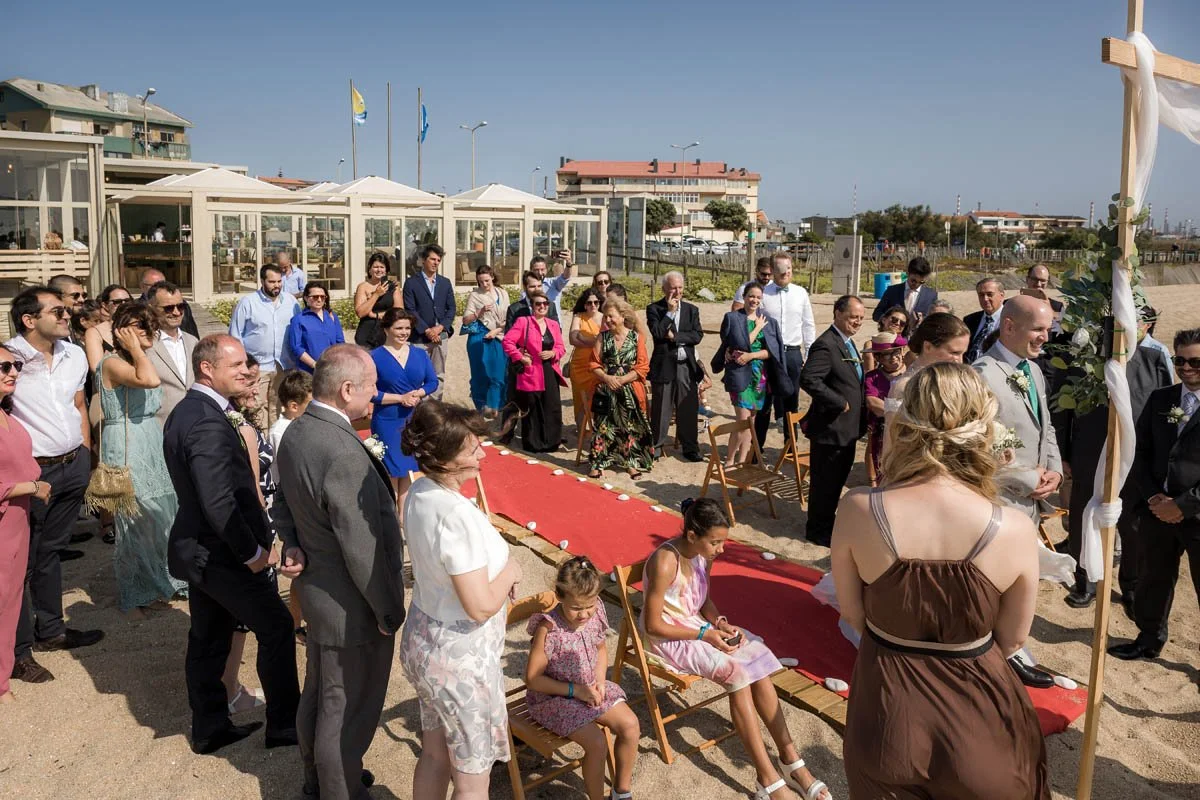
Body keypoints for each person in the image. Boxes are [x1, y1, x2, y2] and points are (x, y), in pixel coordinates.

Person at [831, 362, 1048, 799]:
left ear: (905, 423)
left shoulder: (858, 509)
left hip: (887, 712)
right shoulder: (1013, 528)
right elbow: (1012, 639)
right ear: (985, 427)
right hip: (980, 714)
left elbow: (853, 615)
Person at [273, 345, 406, 800]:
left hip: (320, 594)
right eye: (371, 387)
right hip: (351, 605)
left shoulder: (297, 430)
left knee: (320, 697)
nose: (377, 394)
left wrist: (292, 539)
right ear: (347, 389)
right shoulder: (343, 450)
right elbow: (362, 546)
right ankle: (339, 788)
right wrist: (388, 609)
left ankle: (322, 777)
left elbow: (285, 501)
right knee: (345, 709)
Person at [162, 334, 300, 754]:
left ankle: (210, 726)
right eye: (236, 364)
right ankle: (284, 725)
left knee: (209, 636)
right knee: (276, 627)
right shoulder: (205, 420)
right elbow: (218, 500)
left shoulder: (193, 411)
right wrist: (253, 553)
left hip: (203, 552)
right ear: (207, 368)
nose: (247, 370)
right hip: (223, 554)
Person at [641, 498, 831, 800]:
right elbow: (652, 625)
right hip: (671, 637)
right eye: (716, 542)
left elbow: (703, 601)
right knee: (738, 674)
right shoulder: (665, 561)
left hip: (699, 627)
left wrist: (722, 623)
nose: (721, 549)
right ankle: (766, 776)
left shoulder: (703, 555)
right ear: (692, 536)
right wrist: (705, 633)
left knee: (759, 658)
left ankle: (790, 760)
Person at [399, 401, 522, 800]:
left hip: (426, 637)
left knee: (435, 753)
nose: (483, 454)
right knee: (472, 778)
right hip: (459, 660)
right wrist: (511, 573)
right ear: (448, 459)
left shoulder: (419, 490)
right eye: (472, 449)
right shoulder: (454, 514)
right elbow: (480, 604)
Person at [6, 286, 103, 684]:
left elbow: (78, 404)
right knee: (18, 565)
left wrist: (84, 453)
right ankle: (17, 651)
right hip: (29, 475)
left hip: (71, 466)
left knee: (49, 553)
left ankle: (51, 631)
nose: (68, 315)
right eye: (58, 310)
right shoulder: (8, 359)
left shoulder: (74, 353)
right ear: (30, 320)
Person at [1058, 307, 1173, 610]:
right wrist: (1064, 456)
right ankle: (1084, 581)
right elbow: (1063, 412)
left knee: (1132, 528)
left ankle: (1131, 586)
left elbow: (1164, 413)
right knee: (1083, 517)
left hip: (1136, 459)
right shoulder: (1084, 361)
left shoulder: (1154, 361)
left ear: (1143, 327)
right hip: (1088, 455)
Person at [1109, 329, 1200, 662]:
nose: (1186, 368)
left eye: (1195, 361)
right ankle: (1149, 639)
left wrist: (1183, 505)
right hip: (1156, 511)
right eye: (1180, 360)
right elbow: (1140, 451)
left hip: (1196, 513)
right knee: (1153, 579)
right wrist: (1153, 498)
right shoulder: (1161, 399)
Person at [96, 301, 187, 615]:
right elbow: (148, 380)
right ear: (121, 330)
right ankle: (137, 590)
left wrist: (139, 350)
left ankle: (164, 579)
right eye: (138, 325)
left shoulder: (141, 359)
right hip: (126, 443)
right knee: (136, 518)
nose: (148, 331)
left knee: (162, 513)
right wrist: (134, 348)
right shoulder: (112, 362)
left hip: (149, 436)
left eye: (150, 324)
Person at [525, 557, 640, 800]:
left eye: (589, 605)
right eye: (576, 608)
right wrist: (575, 691)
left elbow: (600, 649)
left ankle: (621, 792)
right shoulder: (549, 629)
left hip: (588, 686)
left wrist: (599, 679)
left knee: (630, 726)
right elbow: (533, 680)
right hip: (553, 699)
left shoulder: (594, 610)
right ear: (560, 595)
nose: (584, 613)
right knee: (597, 743)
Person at [0, 346, 50, 700]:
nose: (13, 372)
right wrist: (30, 486)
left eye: (16, 365)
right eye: (4, 366)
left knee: (10, 600)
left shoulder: (7, 413)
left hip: (17, 519)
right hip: (5, 519)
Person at [798, 295, 867, 548]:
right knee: (825, 483)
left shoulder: (847, 342)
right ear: (837, 313)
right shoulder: (826, 344)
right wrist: (838, 401)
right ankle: (817, 531)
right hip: (831, 429)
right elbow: (809, 379)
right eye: (852, 317)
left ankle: (827, 522)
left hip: (846, 429)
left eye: (861, 318)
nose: (857, 322)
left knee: (836, 481)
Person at [371, 308, 439, 514]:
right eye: (399, 328)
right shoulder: (373, 357)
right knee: (390, 471)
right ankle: (390, 519)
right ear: (386, 329)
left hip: (413, 421)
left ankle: (404, 518)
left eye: (407, 328)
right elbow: (371, 393)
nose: (404, 332)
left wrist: (418, 393)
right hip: (386, 421)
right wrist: (400, 398)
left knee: (409, 469)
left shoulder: (420, 353)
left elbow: (433, 381)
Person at [712, 284, 787, 469]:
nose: (754, 300)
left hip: (759, 376)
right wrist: (755, 330)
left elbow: (773, 352)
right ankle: (729, 460)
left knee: (751, 421)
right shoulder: (733, 318)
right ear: (744, 297)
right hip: (738, 373)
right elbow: (739, 343)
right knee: (743, 421)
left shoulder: (769, 321)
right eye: (751, 296)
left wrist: (752, 355)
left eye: (758, 297)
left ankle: (741, 461)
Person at [586, 297, 653, 479]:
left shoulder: (637, 338)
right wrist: (607, 378)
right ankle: (598, 462)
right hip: (605, 389)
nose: (607, 320)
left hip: (629, 390)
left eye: (611, 316)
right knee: (602, 427)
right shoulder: (603, 337)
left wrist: (623, 379)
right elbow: (593, 364)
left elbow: (642, 367)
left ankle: (630, 463)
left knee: (629, 427)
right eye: (605, 317)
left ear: (623, 316)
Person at [755, 254, 815, 451]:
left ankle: (790, 447)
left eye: (789, 269)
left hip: (792, 353)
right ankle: (757, 447)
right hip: (769, 354)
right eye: (782, 270)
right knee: (764, 403)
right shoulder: (763, 294)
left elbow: (808, 324)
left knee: (792, 401)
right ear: (773, 271)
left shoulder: (800, 293)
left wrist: (809, 354)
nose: (786, 273)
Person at [228, 264, 300, 428]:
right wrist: (242, 365)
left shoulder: (291, 302)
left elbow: (298, 330)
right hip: (257, 366)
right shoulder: (248, 303)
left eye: (279, 281)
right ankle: (260, 445)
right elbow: (235, 335)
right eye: (272, 281)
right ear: (262, 281)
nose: (276, 285)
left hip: (284, 364)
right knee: (256, 407)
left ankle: (277, 444)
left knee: (280, 406)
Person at [646, 272, 704, 463]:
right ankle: (656, 446)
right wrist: (669, 313)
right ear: (664, 289)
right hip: (664, 365)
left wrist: (675, 337)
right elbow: (657, 332)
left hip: (686, 365)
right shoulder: (654, 309)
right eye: (673, 288)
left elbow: (697, 336)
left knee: (688, 408)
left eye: (680, 287)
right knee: (661, 409)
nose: (677, 292)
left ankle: (690, 447)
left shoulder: (691, 310)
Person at [502, 290, 566, 453]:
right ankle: (533, 443)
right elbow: (508, 341)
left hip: (550, 370)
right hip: (532, 371)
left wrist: (553, 353)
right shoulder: (524, 322)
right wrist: (520, 357)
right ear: (532, 306)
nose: (542, 306)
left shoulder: (553, 324)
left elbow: (561, 347)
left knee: (551, 407)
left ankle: (552, 443)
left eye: (545, 304)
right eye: (538, 304)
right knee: (533, 409)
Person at [886, 312, 971, 422]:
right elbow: (891, 435)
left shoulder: (956, 382)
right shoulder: (903, 388)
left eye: (962, 354)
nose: (960, 361)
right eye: (954, 353)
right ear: (928, 347)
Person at [402, 244, 455, 400]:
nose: (435, 262)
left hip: (441, 336)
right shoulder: (412, 283)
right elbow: (410, 309)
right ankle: (420, 410)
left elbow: (451, 308)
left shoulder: (445, 283)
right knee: (418, 375)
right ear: (423, 260)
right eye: (432, 259)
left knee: (439, 374)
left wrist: (439, 328)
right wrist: (427, 330)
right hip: (419, 338)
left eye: (438, 260)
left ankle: (435, 409)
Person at [145, 281, 198, 427]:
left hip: (194, 424)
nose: (176, 312)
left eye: (181, 306)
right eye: (168, 308)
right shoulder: (145, 345)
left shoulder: (192, 342)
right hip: (161, 425)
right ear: (151, 309)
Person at [461, 265, 509, 418]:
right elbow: (466, 320)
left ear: (493, 277)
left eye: (487, 281)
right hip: (480, 337)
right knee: (480, 374)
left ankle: (495, 406)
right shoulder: (475, 295)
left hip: (500, 335)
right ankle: (482, 407)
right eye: (481, 282)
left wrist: (499, 330)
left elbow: (509, 316)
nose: (484, 284)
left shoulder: (503, 293)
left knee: (499, 373)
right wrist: (479, 312)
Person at [863, 333, 908, 482]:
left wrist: (890, 410)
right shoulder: (872, 377)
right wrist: (903, 410)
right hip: (882, 433)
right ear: (878, 358)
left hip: (908, 434)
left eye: (896, 351)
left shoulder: (911, 374)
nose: (894, 357)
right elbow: (872, 403)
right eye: (887, 355)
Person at [286, 282, 345, 374]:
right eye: (315, 297)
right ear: (306, 298)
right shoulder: (298, 319)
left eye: (322, 297)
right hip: (308, 371)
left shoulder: (332, 317)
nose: (319, 300)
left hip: (332, 369)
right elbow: (296, 347)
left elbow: (340, 342)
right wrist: (315, 365)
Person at [567, 287, 605, 427]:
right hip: (579, 366)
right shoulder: (578, 316)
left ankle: (596, 428)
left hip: (597, 366)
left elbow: (607, 343)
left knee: (596, 397)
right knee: (579, 399)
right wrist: (596, 341)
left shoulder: (605, 317)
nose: (593, 305)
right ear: (584, 304)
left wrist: (585, 339)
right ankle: (581, 430)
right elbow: (572, 339)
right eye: (589, 303)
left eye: (596, 302)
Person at [871, 257, 938, 333]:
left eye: (921, 282)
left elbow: (935, 320)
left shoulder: (931, 295)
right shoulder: (892, 291)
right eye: (913, 281)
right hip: (893, 338)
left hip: (918, 339)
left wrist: (922, 320)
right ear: (907, 273)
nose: (916, 284)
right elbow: (876, 314)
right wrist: (891, 320)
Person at [353, 253, 402, 349]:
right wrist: (376, 294)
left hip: (388, 331)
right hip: (367, 333)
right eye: (375, 267)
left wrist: (376, 315)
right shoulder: (363, 287)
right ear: (370, 269)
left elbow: (399, 311)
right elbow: (360, 313)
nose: (379, 270)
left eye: (382, 267)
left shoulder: (393, 287)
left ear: (386, 270)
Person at [140, 268, 198, 338]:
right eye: (168, 308)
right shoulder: (136, 309)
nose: (176, 312)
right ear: (142, 286)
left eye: (163, 284)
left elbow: (191, 330)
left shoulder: (182, 305)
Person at [964, 278, 1006, 364]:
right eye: (981, 295)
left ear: (1001, 295)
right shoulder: (970, 320)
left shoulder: (1010, 320)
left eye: (989, 294)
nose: (985, 299)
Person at [859, 305, 909, 374]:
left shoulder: (907, 347)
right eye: (894, 320)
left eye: (902, 323)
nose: (898, 323)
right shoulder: (870, 345)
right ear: (884, 320)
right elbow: (869, 373)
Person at [528, 250, 574, 318]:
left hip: (553, 325)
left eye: (542, 269)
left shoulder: (554, 283)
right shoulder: (527, 289)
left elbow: (565, 277)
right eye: (536, 270)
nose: (540, 273)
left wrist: (569, 264)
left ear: (547, 270)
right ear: (531, 270)